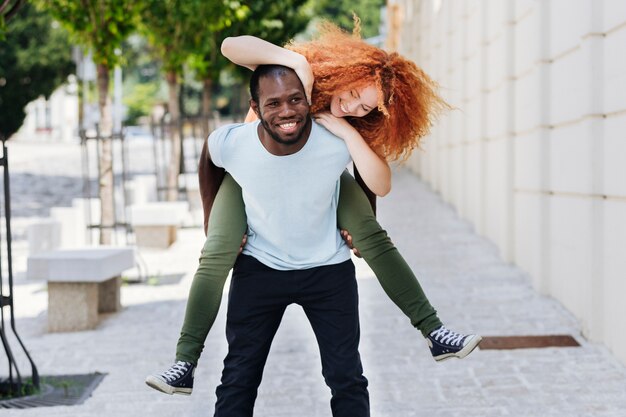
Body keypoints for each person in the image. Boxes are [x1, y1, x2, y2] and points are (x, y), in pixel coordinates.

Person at [146, 21, 481, 397]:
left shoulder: (352, 123)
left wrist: (348, 133)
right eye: (354, 93)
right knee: (217, 253)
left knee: (374, 239)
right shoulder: (300, 76)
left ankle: (434, 331)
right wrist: (296, 61)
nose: (353, 106)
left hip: (317, 179)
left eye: (366, 106)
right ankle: (185, 362)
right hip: (251, 176)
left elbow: (376, 182)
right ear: (346, 72)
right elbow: (230, 46)